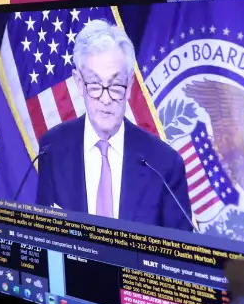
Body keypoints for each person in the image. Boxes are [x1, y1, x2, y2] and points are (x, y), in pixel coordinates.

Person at [35, 19, 192, 232]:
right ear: (80, 83)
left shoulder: (164, 164)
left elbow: (179, 257)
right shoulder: (52, 149)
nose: (106, 99)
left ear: (129, 86)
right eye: (95, 84)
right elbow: (45, 236)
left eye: (116, 85)